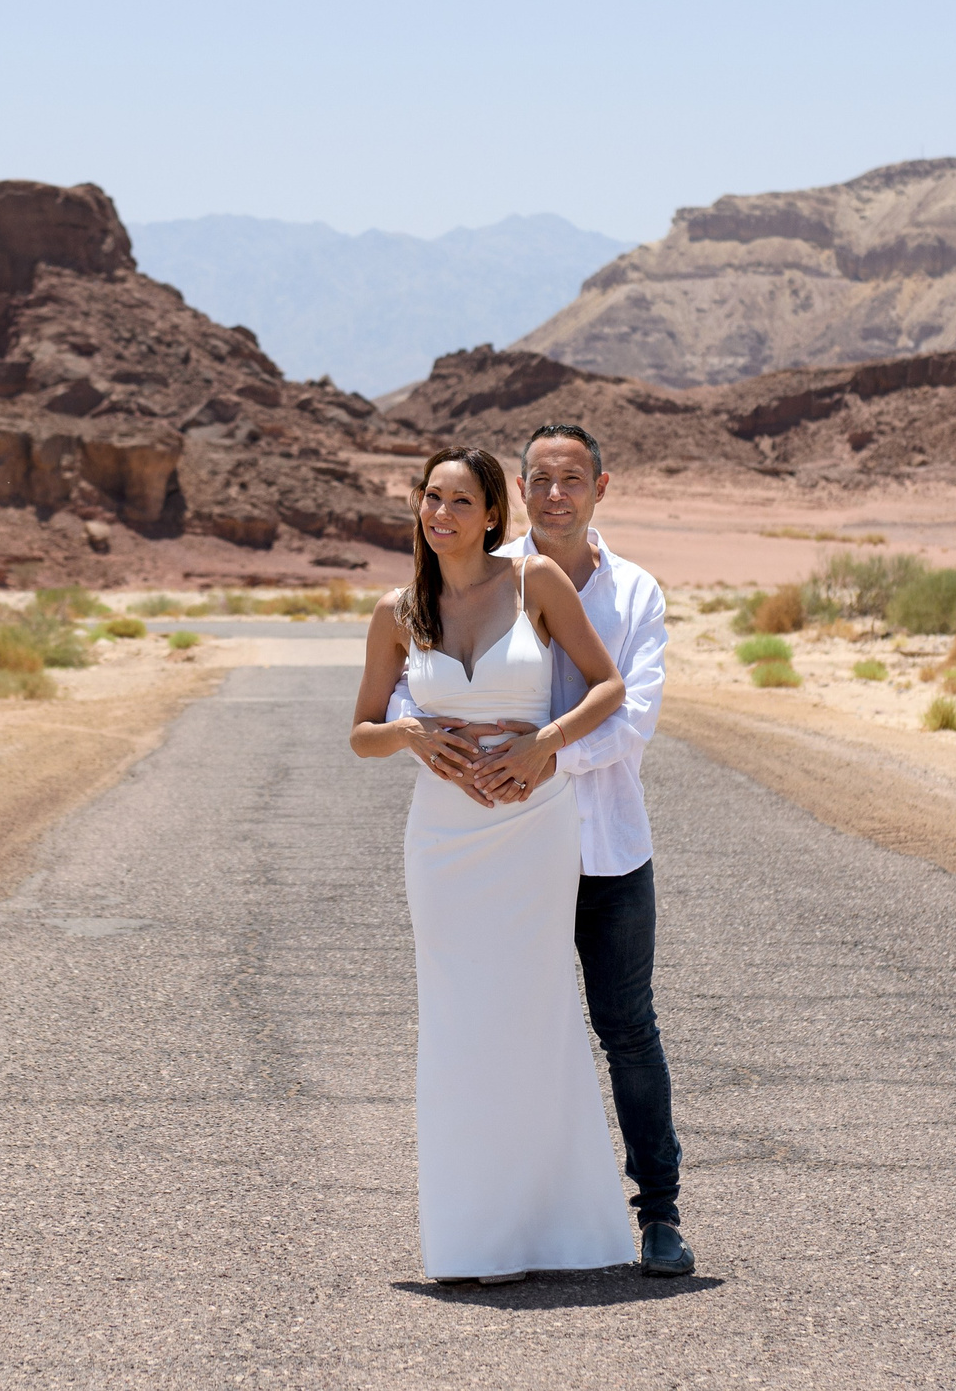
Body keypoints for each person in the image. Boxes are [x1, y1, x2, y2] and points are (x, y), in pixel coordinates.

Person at [389, 422, 694, 1279]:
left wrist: (544, 754)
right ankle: (519, 1217)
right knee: (508, 1024)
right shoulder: (480, 577)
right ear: (517, 492)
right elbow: (416, 687)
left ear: (603, 486)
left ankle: (658, 1215)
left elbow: (632, 715)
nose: (555, 495)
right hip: (496, 850)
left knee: (626, 1027)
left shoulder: (636, 593)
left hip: (606, 842)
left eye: (573, 480)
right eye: (540, 481)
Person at [350, 445, 633, 1284]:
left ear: (491, 515)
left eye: (460, 501)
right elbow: (361, 732)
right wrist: (407, 733)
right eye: (430, 499)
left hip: (533, 830)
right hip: (443, 843)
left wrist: (546, 743)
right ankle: (473, 1237)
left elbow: (606, 687)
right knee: (457, 1022)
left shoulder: (535, 583)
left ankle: (556, 1230)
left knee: (531, 1011)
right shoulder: (397, 611)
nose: (441, 515)